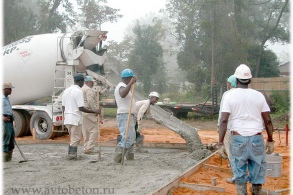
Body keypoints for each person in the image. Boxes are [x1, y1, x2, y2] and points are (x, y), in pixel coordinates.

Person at [218, 64, 274, 195]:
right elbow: (268, 120)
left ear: (236, 79)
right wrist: (270, 140)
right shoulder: (258, 95)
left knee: (239, 172)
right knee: (258, 172)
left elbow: (224, 120)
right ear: (249, 80)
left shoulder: (229, 96)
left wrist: (220, 142)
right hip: (257, 139)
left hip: (238, 139)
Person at [62, 74, 101, 160]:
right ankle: (72, 155)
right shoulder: (78, 91)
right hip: (75, 118)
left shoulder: (66, 91)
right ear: (80, 81)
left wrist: (64, 116)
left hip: (67, 118)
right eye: (83, 81)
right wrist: (94, 111)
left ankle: (71, 154)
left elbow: (63, 106)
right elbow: (81, 108)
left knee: (72, 137)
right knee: (75, 138)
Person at [114, 69, 137, 163]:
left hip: (127, 114)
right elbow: (122, 94)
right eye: (131, 78)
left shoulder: (124, 86)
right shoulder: (121, 86)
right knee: (127, 137)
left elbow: (117, 101)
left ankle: (130, 156)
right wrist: (131, 83)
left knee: (131, 136)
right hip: (125, 115)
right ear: (128, 78)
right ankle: (117, 158)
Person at [217, 75, 236, 184]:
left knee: (230, 151)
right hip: (240, 128)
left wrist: (219, 126)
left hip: (228, 127)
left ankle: (236, 175)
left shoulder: (227, 94)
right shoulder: (243, 94)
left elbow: (222, 114)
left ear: (230, 84)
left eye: (227, 82)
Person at [82, 76, 100, 154]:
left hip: (83, 111)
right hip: (89, 111)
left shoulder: (82, 89)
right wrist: (95, 110)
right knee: (94, 129)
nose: (92, 83)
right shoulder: (88, 90)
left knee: (85, 130)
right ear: (87, 82)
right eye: (91, 82)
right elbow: (90, 101)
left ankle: (86, 146)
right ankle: (90, 147)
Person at [3, 82, 15, 162]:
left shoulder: (7, 98)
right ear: (5, 89)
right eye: (10, 89)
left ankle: (9, 159)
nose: (11, 90)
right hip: (5, 122)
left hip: (10, 121)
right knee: (5, 140)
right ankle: (4, 159)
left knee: (11, 140)